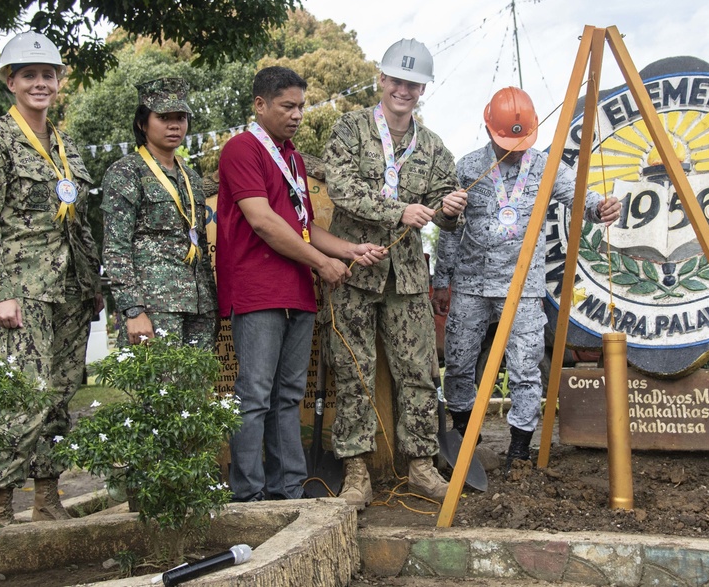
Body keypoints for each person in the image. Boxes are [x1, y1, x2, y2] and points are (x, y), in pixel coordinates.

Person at [0, 31, 103, 524]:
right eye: (30, 75)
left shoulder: (66, 147)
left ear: (58, 82)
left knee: (59, 398)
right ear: (11, 81)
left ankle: (46, 497)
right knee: (23, 399)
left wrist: (93, 287)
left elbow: (78, 223)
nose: (41, 83)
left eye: (49, 75)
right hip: (21, 290)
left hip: (70, 291)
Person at [217, 66, 387, 502]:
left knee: (289, 395)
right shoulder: (241, 149)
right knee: (255, 394)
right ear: (260, 104)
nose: (297, 115)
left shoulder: (292, 156)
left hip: (297, 292)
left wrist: (349, 250)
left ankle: (289, 489)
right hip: (258, 292)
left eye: (301, 106)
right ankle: (248, 495)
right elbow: (264, 222)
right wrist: (321, 263)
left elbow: (305, 227)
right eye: (286, 106)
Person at [431, 86, 621, 471]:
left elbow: (584, 201)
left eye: (521, 141)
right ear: (488, 131)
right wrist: (442, 279)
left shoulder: (547, 167)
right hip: (470, 284)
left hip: (523, 287)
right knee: (459, 360)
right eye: (505, 140)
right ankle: (465, 433)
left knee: (525, 365)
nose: (514, 148)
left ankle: (519, 449)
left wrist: (602, 208)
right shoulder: (467, 167)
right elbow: (450, 227)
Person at [323, 38, 468, 508]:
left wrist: (450, 208)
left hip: (406, 278)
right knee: (352, 371)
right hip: (355, 272)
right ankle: (356, 471)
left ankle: (422, 465)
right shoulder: (349, 129)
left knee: (419, 373)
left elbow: (447, 208)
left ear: (422, 89)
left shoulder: (432, 146)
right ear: (381, 80)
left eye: (414, 83)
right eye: (397, 80)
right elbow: (342, 190)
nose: (404, 90)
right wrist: (401, 210)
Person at [100, 77, 217, 349]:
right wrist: (133, 310)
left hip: (200, 307)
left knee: (197, 391)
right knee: (162, 389)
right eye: (164, 117)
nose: (175, 125)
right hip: (154, 308)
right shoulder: (127, 172)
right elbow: (115, 247)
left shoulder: (191, 177)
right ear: (143, 123)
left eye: (181, 117)